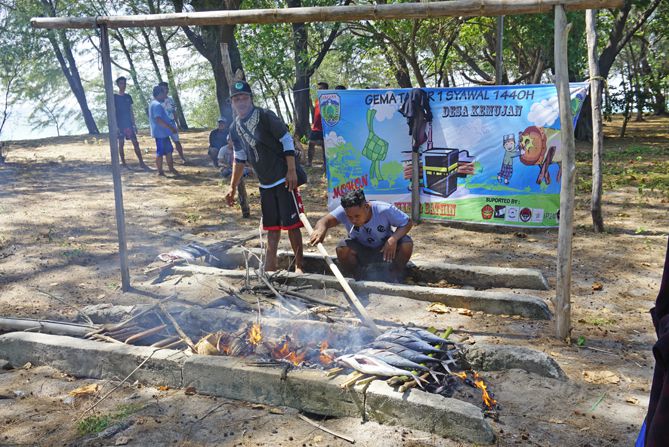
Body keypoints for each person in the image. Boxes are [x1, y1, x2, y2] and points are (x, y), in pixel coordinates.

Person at [225, 80, 305, 273]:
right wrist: (233, 187)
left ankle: (300, 265)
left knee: (292, 224)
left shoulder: (265, 115)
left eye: (244, 97)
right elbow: (240, 157)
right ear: (232, 103)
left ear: (250, 98)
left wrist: (292, 170)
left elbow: (286, 139)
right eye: (237, 99)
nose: (241, 101)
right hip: (265, 182)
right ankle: (270, 265)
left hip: (284, 177)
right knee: (271, 227)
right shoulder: (235, 128)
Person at [309, 188, 413, 281]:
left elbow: (407, 222)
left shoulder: (384, 209)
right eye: (349, 217)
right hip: (360, 250)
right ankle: (359, 277)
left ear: (366, 207)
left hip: (385, 250)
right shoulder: (344, 210)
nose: (353, 220)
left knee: (406, 243)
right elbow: (324, 221)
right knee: (342, 248)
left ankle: (394, 276)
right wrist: (321, 229)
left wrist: (393, 239)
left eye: (357, 216)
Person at [113, 76, 148, 169]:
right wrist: (116, 126)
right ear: (118, 85)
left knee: (135, 143)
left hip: (128, 124)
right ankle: (124, 163)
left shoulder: (128, 97)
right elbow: (113, 112)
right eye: (121, 83)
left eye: (124, 83)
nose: (123, 85)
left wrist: (134, 124)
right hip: (120, 125)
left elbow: (131, 110)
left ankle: (141, 162)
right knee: (121, 143)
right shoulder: (114, 97)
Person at [148, 85, 179, 177]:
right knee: (160, 152)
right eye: (163, 93)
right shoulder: (157, 105)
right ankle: (160, 171)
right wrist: (170, 127)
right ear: (160, 94)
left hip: (163, 133)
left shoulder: (153, 103)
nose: (165, 95)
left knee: (169, 150)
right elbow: (158, 119)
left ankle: (171, 168)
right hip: (160, 133)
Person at [158, 81, 187, 164]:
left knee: (177, 141)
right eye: (164, 88)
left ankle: (182, 157)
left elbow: (174, 112)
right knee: (165, 143)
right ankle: (169, 160)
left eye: (167, 88)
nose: (166, 90)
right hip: (163, 125)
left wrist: (177, 123)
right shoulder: (157, 101)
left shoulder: (170, 100)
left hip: (172, 123)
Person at [307, 81, 328, 168]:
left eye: (321, 88)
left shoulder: (329, 99)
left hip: (325, 127)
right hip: (316, 128)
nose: (319, 90)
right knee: (311, 144)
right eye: (319, 89)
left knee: (325, 146)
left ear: (326, 89)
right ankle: (309, 162)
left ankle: (325, 164)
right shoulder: (317, 100)